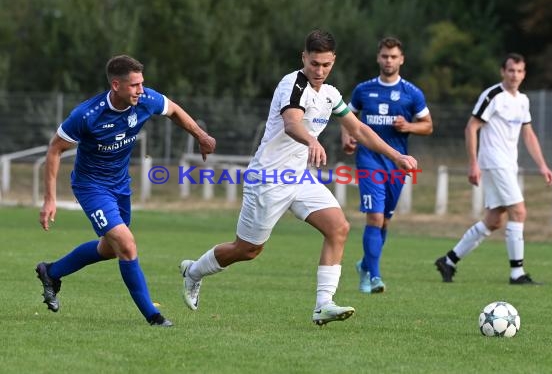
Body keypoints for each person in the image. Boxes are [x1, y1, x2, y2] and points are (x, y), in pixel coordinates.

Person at [178, 29, 418, 326]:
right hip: (268, 178)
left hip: (299, 178)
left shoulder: (330, 94)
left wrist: (396, 156)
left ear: (334, 61)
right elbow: (292, 123)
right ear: (304, 57)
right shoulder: (291, 84)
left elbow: (359, 130)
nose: (319, 71)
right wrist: (313, 141)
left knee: (338, 228)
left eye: (326, 65)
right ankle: (194, 272)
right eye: (314, 63)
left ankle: (323, 304)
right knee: (248, 250)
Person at [36, 55, 216, 327]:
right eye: (134, 85)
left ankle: (52, 271)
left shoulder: (145, 100)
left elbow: (174, 110)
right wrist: (50, 199)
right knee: (127, 245)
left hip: (120, 185)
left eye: (142, 84)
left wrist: (200, 136)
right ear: (116, 85)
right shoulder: (87, 114)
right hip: (91, 186)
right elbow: (54, 149)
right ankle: (154, 317)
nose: (140, 90)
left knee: (110, 249)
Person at [434, 53, 552, 284]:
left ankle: (448, 261)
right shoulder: (493, 96)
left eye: (519, 71)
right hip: (493, 161)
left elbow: (528, 134)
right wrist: (473, 163)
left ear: (524, 73)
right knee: (519, 212)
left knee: (494, 220)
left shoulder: (523, 100)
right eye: (511, 70)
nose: (515, 75)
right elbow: (471, 128)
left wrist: (542, 165)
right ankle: (517, 273)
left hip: (509, 164)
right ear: (503, 71)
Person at [341, 37, 433, 294]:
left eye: (393, 56)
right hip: (369, 161)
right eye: (384, 56)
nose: (389, 61)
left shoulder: (412, 93)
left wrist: (409, 126)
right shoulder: (363, 90)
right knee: (375, 216)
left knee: (385, 222)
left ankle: (364, 266)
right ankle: (376, 277)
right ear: (378, 58)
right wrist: (347, 138)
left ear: (401, 59)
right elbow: (346, 118)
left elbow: (428, 125)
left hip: (397, 164)